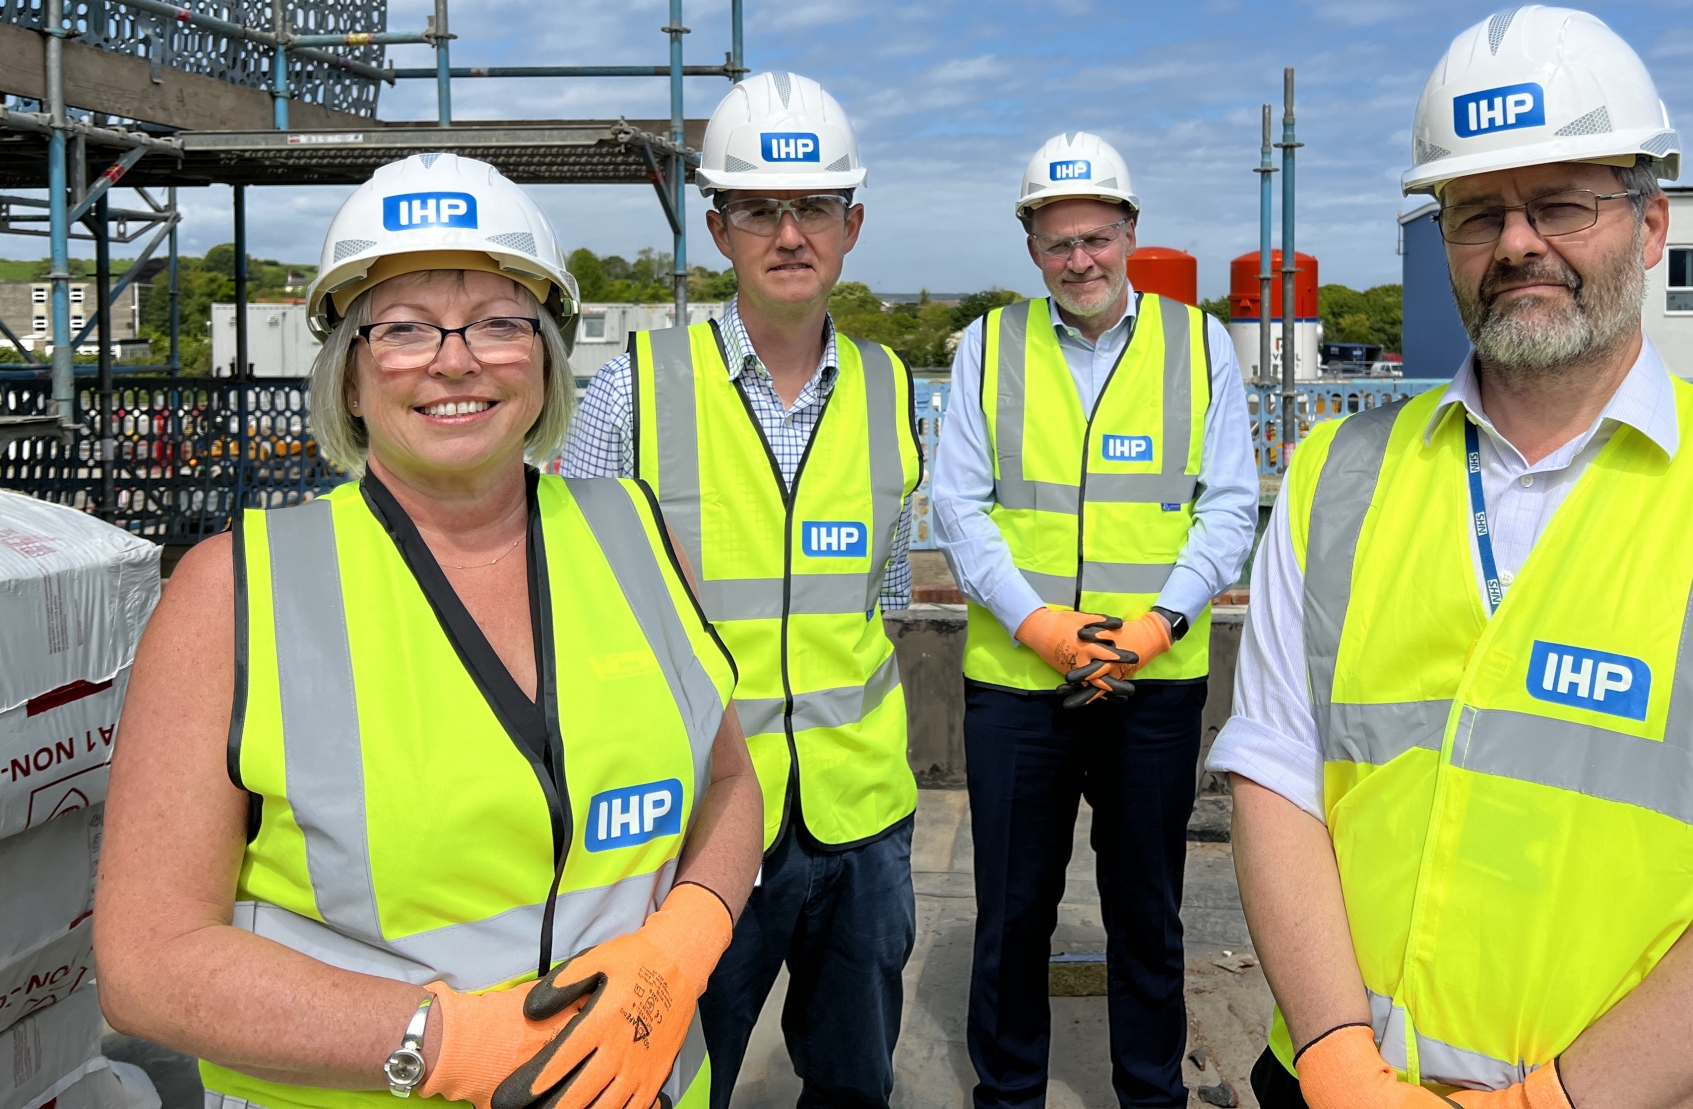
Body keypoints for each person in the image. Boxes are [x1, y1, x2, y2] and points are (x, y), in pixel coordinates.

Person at [1209, 5, 1693, 1109]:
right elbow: (1274, 777)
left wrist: (1554, 1100)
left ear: (1649, 225)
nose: (1515, 244)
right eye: (1474, 211)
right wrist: (1339, 1063)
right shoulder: (1334, 475)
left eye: (1561, 203)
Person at [93, 153, 762, 1109]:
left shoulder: (638, 537)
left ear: (543, 354)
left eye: (498, 323)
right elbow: (151, 962)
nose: (457, 359)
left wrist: (684, 940)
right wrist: (446, 1042)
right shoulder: (234, 592)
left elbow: (728, 782)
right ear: (351, 377)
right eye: (404, 330)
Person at [564, 71, 923, 1109]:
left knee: (856, 1086)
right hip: (698, 824)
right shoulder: (636, 384)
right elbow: (579, 599)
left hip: (859, 823)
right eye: (760, 208)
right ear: (718, 229)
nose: (789, 233)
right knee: (672, 1084)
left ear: (851, 226)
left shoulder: (891, 387)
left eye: (812, 207)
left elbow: (881, 590)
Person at [930, 131, 1259, 1109]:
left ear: (1128, 233)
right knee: (1013, 914)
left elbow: (1228, 502)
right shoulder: (988, 346)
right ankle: (1009, 1094)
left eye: (1095, 237)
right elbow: (958, 503)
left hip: (1149, 682)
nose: (1079, 259)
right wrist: (1036, 624)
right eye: (1057, 241)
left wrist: (1161, 620)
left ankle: (1148, 1095)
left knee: (1146, 912)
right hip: (1017, 685)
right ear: (1031, 247)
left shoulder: (1198, 343)